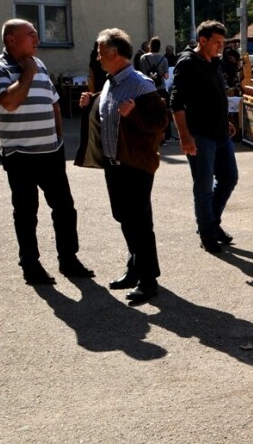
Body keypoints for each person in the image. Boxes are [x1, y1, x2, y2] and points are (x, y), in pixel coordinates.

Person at [0, 19, 93, 284]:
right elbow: (9, 102)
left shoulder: (39, 64)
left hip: (51, 152)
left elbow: (54, 103)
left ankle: (68, 260)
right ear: (11, 39)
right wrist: (28, 72)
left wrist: (58, 137)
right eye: (31, 35)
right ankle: (30, 265)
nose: (37, 39)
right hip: (19, 154)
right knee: (26, 211)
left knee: (65, 208)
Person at [75, 28, 169, 303]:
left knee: (139, 222)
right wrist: (90, 104)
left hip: (135, 165)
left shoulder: (141, 85)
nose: (98, 56)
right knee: (124, 218)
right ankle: (134, 269)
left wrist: (135, 114)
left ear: (115, 53)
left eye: (101, 52)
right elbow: (109, 114)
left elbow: (160, 123)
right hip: (114, 164)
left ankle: (148, 280)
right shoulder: (109, 82)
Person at [170, 20, 239, 254]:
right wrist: (184, 136)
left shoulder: (215, 62)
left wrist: (226, 121)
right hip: (200, 136)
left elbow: (217, 96)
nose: (221, 47)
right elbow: (176, 103)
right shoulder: (188, 63)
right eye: (217, 42)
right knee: (204, 187)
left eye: (222, 42)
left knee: (229, 178)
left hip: (220, 134)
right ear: (203, 40)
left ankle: (211, 223)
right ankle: (207, 234)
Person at [138, 37, 173, 142]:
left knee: (147, 113)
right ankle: (166, 136)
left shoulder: (143, 58)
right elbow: (166, 76)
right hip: (160, 89)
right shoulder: (164, 59)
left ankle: (148, 135)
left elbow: (141, 74)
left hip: (147, 89)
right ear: (160, 47)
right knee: (163, 112)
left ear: (150, 46)